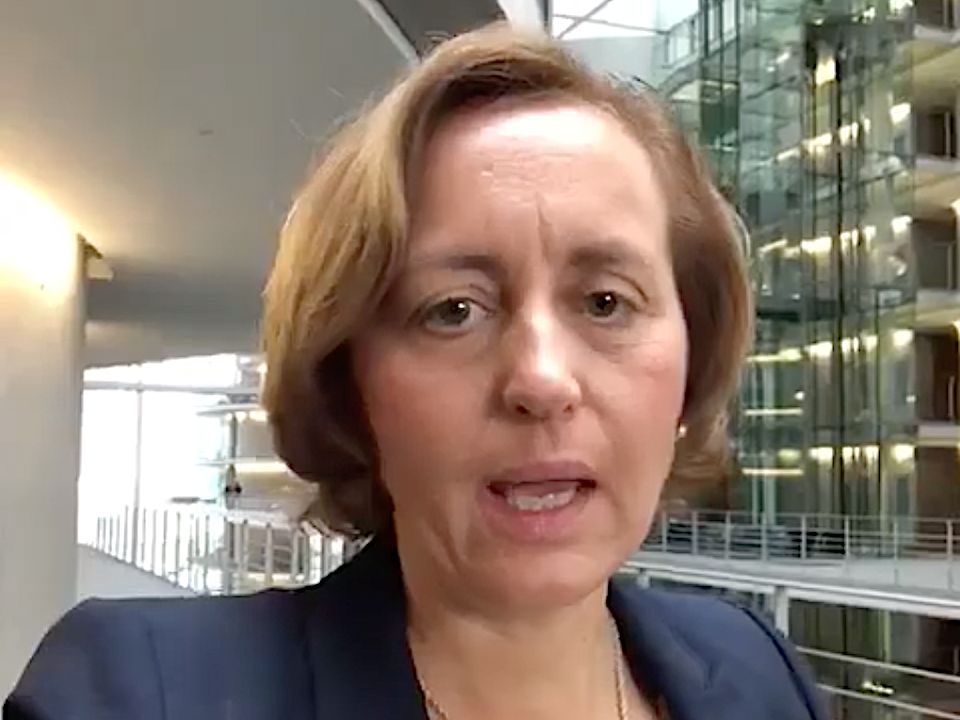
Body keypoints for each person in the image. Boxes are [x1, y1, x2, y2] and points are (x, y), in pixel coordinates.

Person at [5, 24, 827, 720]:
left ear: (692, 353)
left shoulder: (758, 671)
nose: (541, 380)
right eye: (453, 310)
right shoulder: (133, 693)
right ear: (351, 385)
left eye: (606, 302)